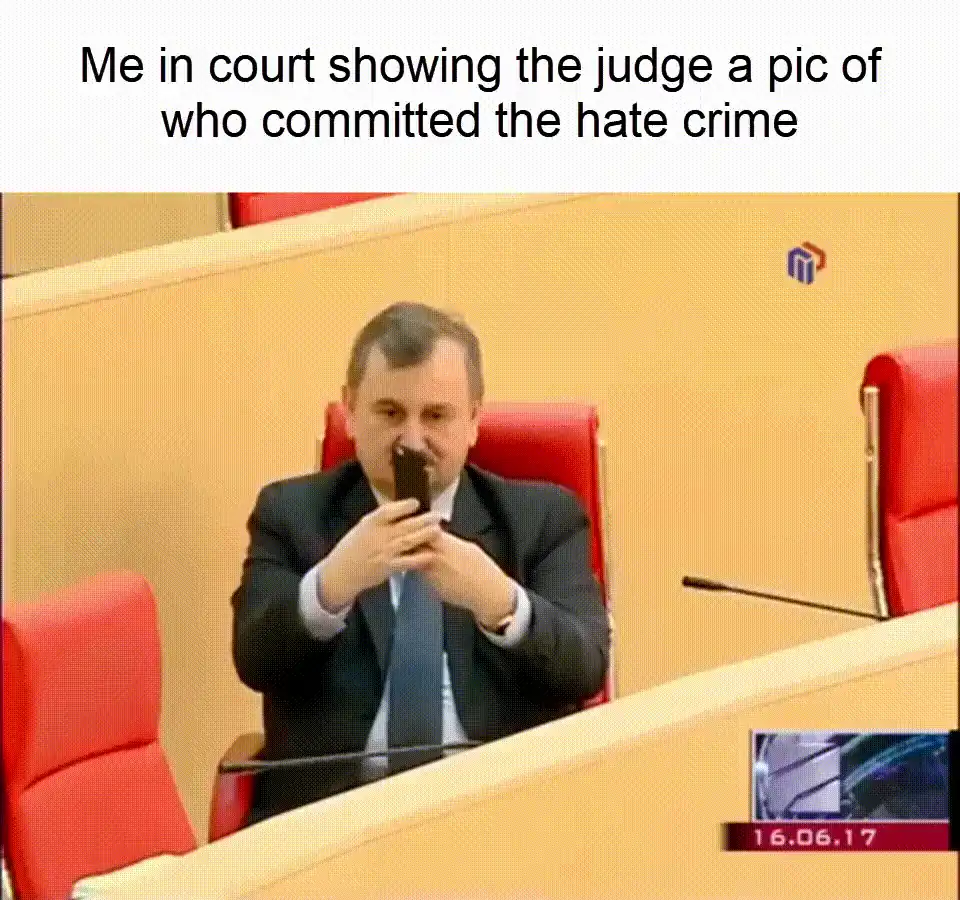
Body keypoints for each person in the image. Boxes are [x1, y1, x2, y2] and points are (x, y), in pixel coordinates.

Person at [231, 302, 610, 823]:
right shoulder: (292, 513)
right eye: (389, 413)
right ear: (350, 410)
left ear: (474, 418)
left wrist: (497, 600)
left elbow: (586, 670)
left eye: (435, 415)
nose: (411, 439)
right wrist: (332, 585)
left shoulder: (541, 518)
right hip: (333, 826)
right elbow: (255, 660)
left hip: (503, 820)